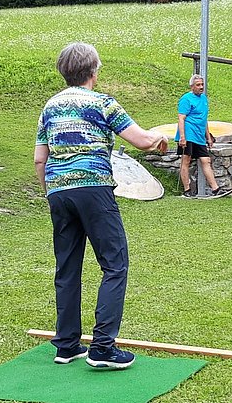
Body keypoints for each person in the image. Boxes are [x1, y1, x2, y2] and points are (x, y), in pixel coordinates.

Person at [34, 42, 168, 370]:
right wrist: (160, 137)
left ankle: (67, 345)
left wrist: (51, 193)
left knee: (67, 267)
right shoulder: (103, 103)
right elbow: (142, 140)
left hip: (58, 192)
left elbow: (40, 159)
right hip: (93, 189)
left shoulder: (50, 107)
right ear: (93, 71)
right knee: (115, 264)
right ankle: (103, 348)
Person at [175, 74, 230, 198]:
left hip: (199, 135)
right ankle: (187, 190)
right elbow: (181, 118)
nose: (201, 87)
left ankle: (215, 189)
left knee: (206, 160)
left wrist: (208, 137)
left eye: (202, 84)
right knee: (186, 160)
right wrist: (182, 137)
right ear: (192, 86)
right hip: (188, 133)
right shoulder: (186, 99)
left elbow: (204, 119)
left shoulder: (204, 99)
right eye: (198, 85)